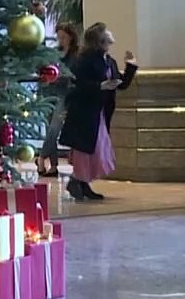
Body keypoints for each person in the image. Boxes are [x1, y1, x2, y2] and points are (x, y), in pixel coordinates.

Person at [59, 22, 138, 201]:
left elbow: (121, 84)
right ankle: (77, 181)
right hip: (84, 111)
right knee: (85, 149)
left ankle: (83, 182)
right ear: (99, 39)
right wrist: (99, 86)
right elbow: (77, 83)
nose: (110, 34)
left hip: (100, 111)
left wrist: (131, 66)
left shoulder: (109, 61)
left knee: (96, 148)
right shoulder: (85, 59)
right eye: (105, 31)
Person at [37, 23, 80, 177]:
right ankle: (53, 165)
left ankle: (41, 157)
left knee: (55, 127)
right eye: (59, 37)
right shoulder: (54, 53)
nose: (60, 40)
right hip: (50, 93)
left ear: (71, 37)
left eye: (63, 37)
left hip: (65, 95)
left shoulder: (76, 56)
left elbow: (74, 76)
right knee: (50, 128)